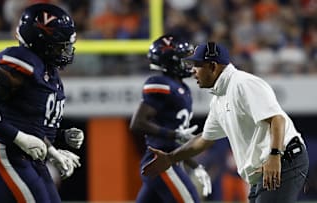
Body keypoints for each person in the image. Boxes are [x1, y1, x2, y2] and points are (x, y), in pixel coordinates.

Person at [142, 42, 309, 203]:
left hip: (284, 158)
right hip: (264, 167)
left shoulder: (242, 84)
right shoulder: (218, 98)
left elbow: (277, 119)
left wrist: (274, 156)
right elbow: (204, 140)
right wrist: (171, 158)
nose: (193, 71)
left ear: (213, 66)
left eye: (197, 65)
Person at [0, 3, 84, 203]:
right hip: (0, 150)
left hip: (19, 155)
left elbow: (28, 123)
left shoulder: (48, 73)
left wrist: (57, 142)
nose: (64, 52)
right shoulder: (22, 61)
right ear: (41, 41)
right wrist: (19, 138)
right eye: (58, 46)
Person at [130, 34, 212, 203]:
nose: (189, 63)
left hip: (169, 158)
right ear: (170, 60)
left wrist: (196, 165)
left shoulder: (182, 87)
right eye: (184, 58)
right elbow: (137, 123)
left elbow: (176, 142)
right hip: (161, 160)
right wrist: (174, 135)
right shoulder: (160, 83)